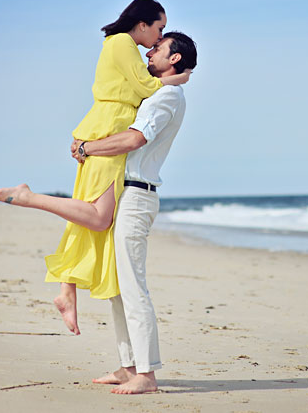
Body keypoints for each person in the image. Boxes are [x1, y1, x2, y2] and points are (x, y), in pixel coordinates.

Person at [0, 0, 191, 336]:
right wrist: (178, 79)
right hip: (108, 129)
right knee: (97, 216)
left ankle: (67, 291)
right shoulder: (122, 42)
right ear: (142, 23)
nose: (158, 37)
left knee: (87, 213)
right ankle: (28, 198)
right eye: (159, 28)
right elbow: (144, 87)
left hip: (107, 128)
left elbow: (140, 88)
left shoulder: (120, 43)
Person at [71, 31, 197, 394]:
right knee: (116, 288)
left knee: (132, 286)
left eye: (158, 48)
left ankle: (147, 374)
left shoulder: (168, 96)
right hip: (122, 193)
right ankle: (129, 367)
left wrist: (86, 148)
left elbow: (134, 139)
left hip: (137, 197)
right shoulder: (160, 91)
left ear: (174, 59)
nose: (149, 50)